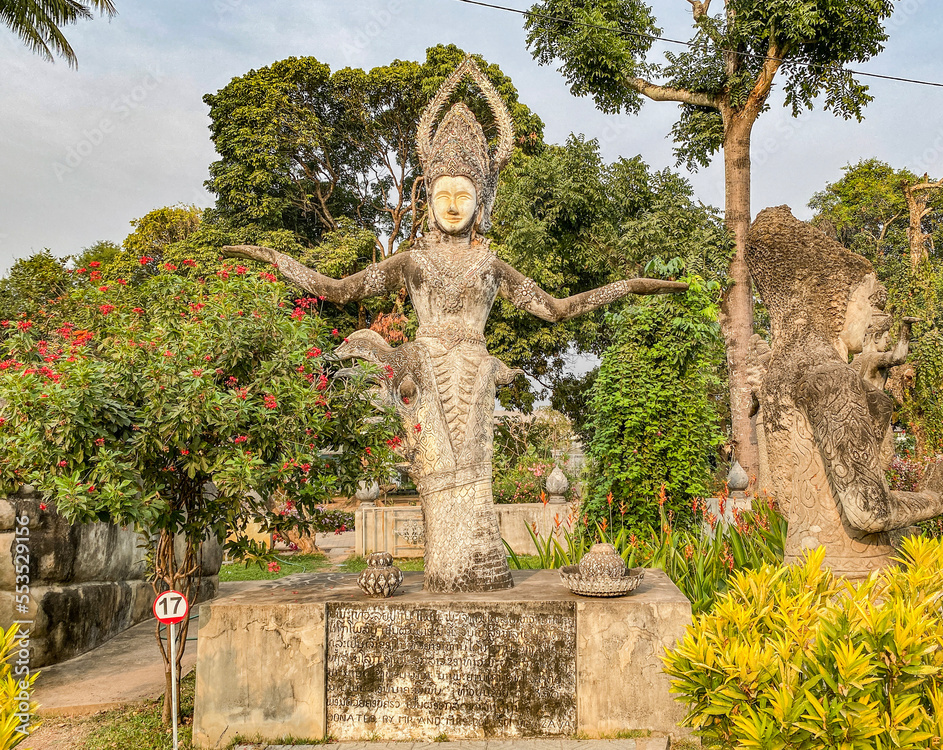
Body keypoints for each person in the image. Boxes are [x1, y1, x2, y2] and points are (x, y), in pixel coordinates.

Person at [224, 57, 685, 592]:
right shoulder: (412, 260)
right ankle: (448, 572)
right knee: (437, 473)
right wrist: (274, 256)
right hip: (422, 372)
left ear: (482, 200)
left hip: (476, 373)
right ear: (426, 195)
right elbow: (336, 289)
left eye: (464, 194)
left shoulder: (491, 266)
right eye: (442, 193)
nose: (451, 204)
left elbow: (555, 309)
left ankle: (480, 571)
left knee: (474, 478)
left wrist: (627, 286)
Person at [746, 206, 943, 578]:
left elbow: (795, 500)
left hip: (801, 575)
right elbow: (868, 510)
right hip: (854, 583)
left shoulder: (781, 373)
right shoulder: (831, 377)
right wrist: (937, 497)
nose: (873, 317)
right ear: (835, 301)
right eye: (868, 301)